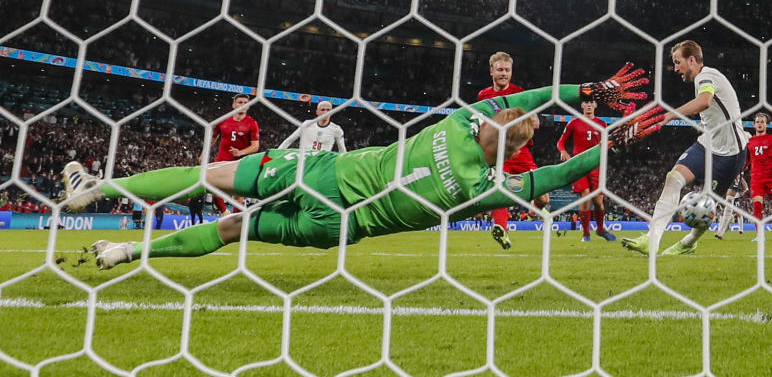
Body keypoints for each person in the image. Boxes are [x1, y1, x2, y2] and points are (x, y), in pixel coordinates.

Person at [60, 66, 659, 270]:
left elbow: (526, 102)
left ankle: (98, 189)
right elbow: (553, 177)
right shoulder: (484, 186)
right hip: (335, 228)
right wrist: (616, 142)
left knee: (207, 175)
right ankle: (125, 255)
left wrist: (589, 87)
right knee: (231, 230)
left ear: (488, 122)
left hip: (318, 176)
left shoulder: (456, 124)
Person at [622, 40, 749, 257]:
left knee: (708, 206)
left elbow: (705, 101)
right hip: (708, 144)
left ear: (692, 60)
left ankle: (689, 242)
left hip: (730, 154)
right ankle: (651, 241)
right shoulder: (703, 79)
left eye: (677, 62)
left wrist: (669, 115)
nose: (676, 68)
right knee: (673, 178)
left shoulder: (706, 76)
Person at [477, 51, 544, 251]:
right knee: (500, 189)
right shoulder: (483, 96)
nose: (504, 73)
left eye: (507, 70)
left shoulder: (519, 93)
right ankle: (502, 229)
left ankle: (535, 210)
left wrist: (528, 121)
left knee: (543, 197)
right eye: (500, 70)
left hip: (520, 150)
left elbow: (536, 123)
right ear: (492, 72)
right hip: (498, 151)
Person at [556, 99, 616, 242]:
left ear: (596, 105)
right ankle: (586, 234)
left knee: (598, 202)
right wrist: (563, 151)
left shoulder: (602, 124)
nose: (589, 105)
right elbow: (560, 142)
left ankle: (601, 230)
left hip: (596, 166)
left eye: (592, 102)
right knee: (585, 195)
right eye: (586, 102)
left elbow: (605, 145)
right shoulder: (573, 123)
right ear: (582, 105)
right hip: (579, 165)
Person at [205, 93, 261, 216]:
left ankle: (236, 222)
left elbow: (255, 146)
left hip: (241, 164)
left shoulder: (252, 123)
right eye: (240, 102)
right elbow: (212, 138)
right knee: (214, 190)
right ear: (234, 105)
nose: (243, 105)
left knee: (238, 197)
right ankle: (225, 212)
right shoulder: (223, 120)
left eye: (246, 103)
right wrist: (204, 154)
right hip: (222, 161)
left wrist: (240, 152)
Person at [714, 172, 747, 239]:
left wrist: (745, 189)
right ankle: (721, 230)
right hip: (725, 193)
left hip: (735, 196)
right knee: (722, 212)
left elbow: (743, 183)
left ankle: (740, 229)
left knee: (738, 213)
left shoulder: (738, 172)